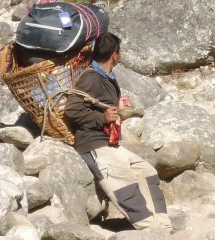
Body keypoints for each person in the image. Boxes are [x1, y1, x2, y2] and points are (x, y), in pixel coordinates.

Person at [65, 33, 172, 232]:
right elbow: (72, 109)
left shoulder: (106, 77)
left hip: (110, 142)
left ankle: (163, 225)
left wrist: (117, 107)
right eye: (119, 52)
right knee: (126, 182)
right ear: (114, 55)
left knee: (147, 171)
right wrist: (103, 118)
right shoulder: (91, 77)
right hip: (94, 144)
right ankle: (149, 229)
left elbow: (98, 105)